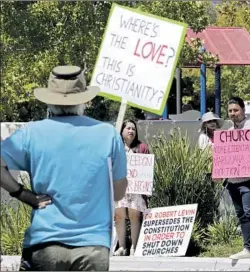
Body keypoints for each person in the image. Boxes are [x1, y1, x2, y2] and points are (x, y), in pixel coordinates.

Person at [0, 65, 128, 271]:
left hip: (45, 243)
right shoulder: (108, 134)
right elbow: (119, 192)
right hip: (93, 247)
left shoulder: (32, 133)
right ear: (84, 99)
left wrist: (23, 194)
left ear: (50, 99)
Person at [215, 96, 250, 260]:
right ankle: (248, 248)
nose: (233, 113)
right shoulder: (228, 133)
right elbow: (223, 157)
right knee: (241, 214)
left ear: (243, 110)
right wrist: (218, 173)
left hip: (249, 180)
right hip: (232, 182)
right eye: (230, 111)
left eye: (236, 110)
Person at [114, 120, 150, 256]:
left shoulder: (142, 148)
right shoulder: (115, 147)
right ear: (122, 131)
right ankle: (122, 247)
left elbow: (147, 169)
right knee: (119, 216)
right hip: (120, 187)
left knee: (135, 216)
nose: (131, 131)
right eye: (128, 128)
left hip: (136, 189)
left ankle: (135, 247)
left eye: (133, 129)